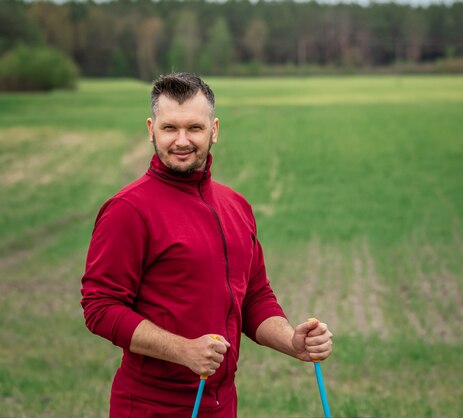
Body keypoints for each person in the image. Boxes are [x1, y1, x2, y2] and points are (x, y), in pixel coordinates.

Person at [80, 72, 333, 417]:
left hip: (221, 404)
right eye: (170, 128)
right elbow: (101, 307)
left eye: (194, 128)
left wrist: (292, 342)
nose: (182, 140)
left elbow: (255, 297)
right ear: (151, 129)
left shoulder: (236, 206)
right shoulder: (128, 210)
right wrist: (183, 350)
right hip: (150, 407)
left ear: (213, 130)